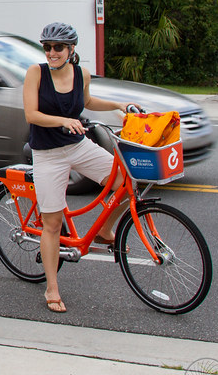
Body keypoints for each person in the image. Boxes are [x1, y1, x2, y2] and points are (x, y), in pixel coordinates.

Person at [22, 22, 137, 314]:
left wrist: (118, 105)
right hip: (47, 154)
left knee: (126, 181)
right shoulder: (36, 73)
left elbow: (87, 101)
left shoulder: (81, 74)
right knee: (52, 223)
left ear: (71, 49)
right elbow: (31, 114)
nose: (51, 52)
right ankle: (52, 287)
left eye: (58, 47)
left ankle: (105, 231)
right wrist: (63, 121)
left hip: (78, 146)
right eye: (47, 47)